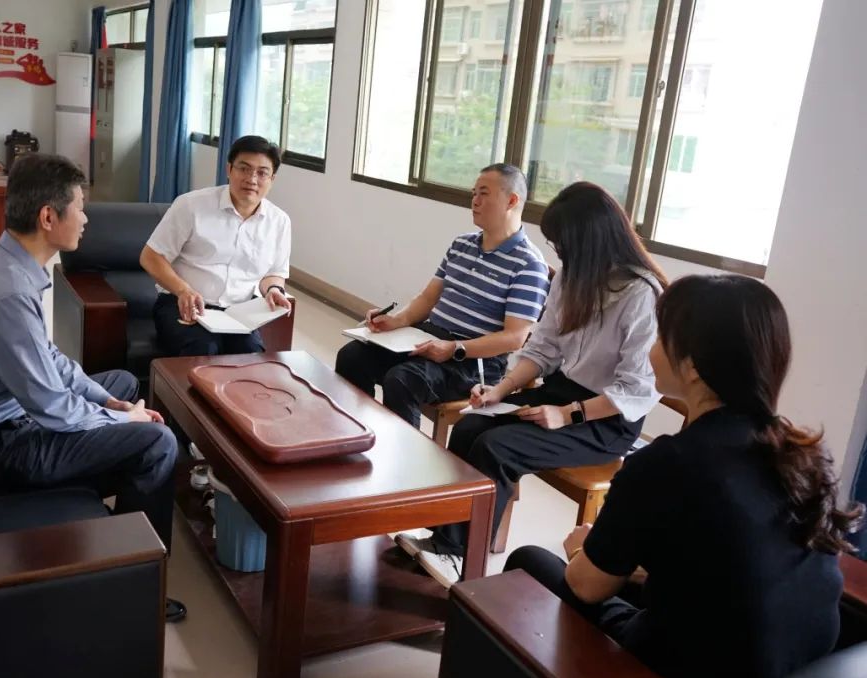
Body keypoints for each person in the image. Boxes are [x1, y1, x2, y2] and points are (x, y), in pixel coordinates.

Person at [504, 274, 864, 678]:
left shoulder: (665, 464)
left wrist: (580, 552)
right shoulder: (802, 452)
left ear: (692, 366)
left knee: (529, 563)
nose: (652, 349)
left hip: (690, 668)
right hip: (802, 663)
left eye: (660, 337)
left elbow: (586, 587)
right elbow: (732, 563)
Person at [0, 153, 185, 622]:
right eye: (80, 208)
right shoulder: (7, 290)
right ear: (49, 217)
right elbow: (49, 404)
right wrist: (124, 420)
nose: (86, 219)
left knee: (122, 381)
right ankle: (133, 581)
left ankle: (113, 529)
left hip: (8, 417)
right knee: (158, 441)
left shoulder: (10, 263)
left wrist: (107, 401)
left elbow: (48, 358)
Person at [396, 182, 667, 587]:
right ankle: (443, 539)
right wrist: (500, 389)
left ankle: (459, 556)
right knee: (470, 425)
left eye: (564, 246)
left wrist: (569, 414)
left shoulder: (641, 295)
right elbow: (543, 348)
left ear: (591, 242)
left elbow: (636, 389)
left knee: (497, 448)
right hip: (561, 393)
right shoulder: (573, 276)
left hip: (605, 418)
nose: (560, 256)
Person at [334, 164, 550, 428]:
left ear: (512, 201)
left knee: (402, 379)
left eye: (484, 194)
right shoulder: (461, 244)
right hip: (430, 338)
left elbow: (514, 338)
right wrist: (397, 321)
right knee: (352, 357)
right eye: (474, 193)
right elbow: (428, 298)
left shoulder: (529, 264)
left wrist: (455, 348)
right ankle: (355, 434)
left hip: (473, 361)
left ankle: (401, 452)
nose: (475, 201)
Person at [140, 135, 292, 357]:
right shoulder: (191, 205)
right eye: (244, 168)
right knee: (203, 349)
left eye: (262, 173)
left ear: (272, 179)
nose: (252, 179)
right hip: (182, 303)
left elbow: (274, 273)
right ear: (229, 169)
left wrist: (274, 289)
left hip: (239, 312)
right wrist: (183, 290)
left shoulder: (279, 222)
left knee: (250, 355)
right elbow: (151, 256)